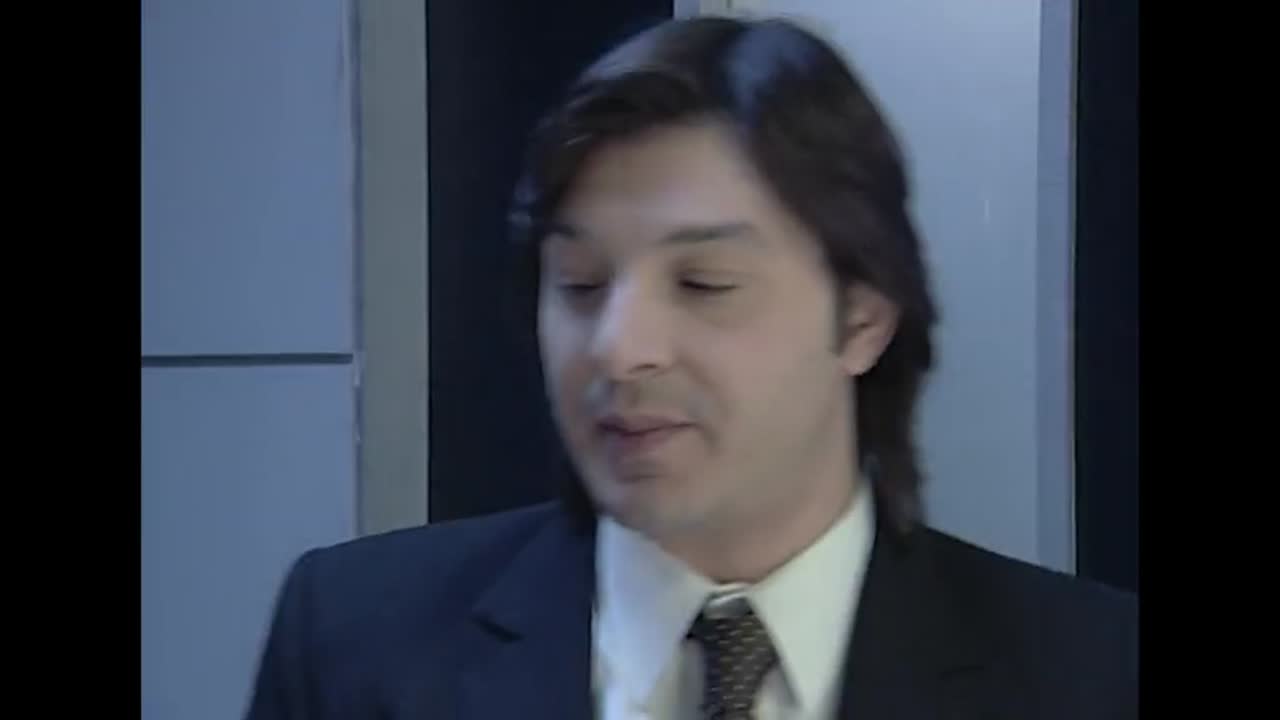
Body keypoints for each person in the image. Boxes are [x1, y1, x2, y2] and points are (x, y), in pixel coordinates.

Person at [245, 16, 1137, 720]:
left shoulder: (1091, 674)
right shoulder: (357, 643)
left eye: (704, 284)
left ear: (862, 318)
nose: (619, 347)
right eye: (580, 284)